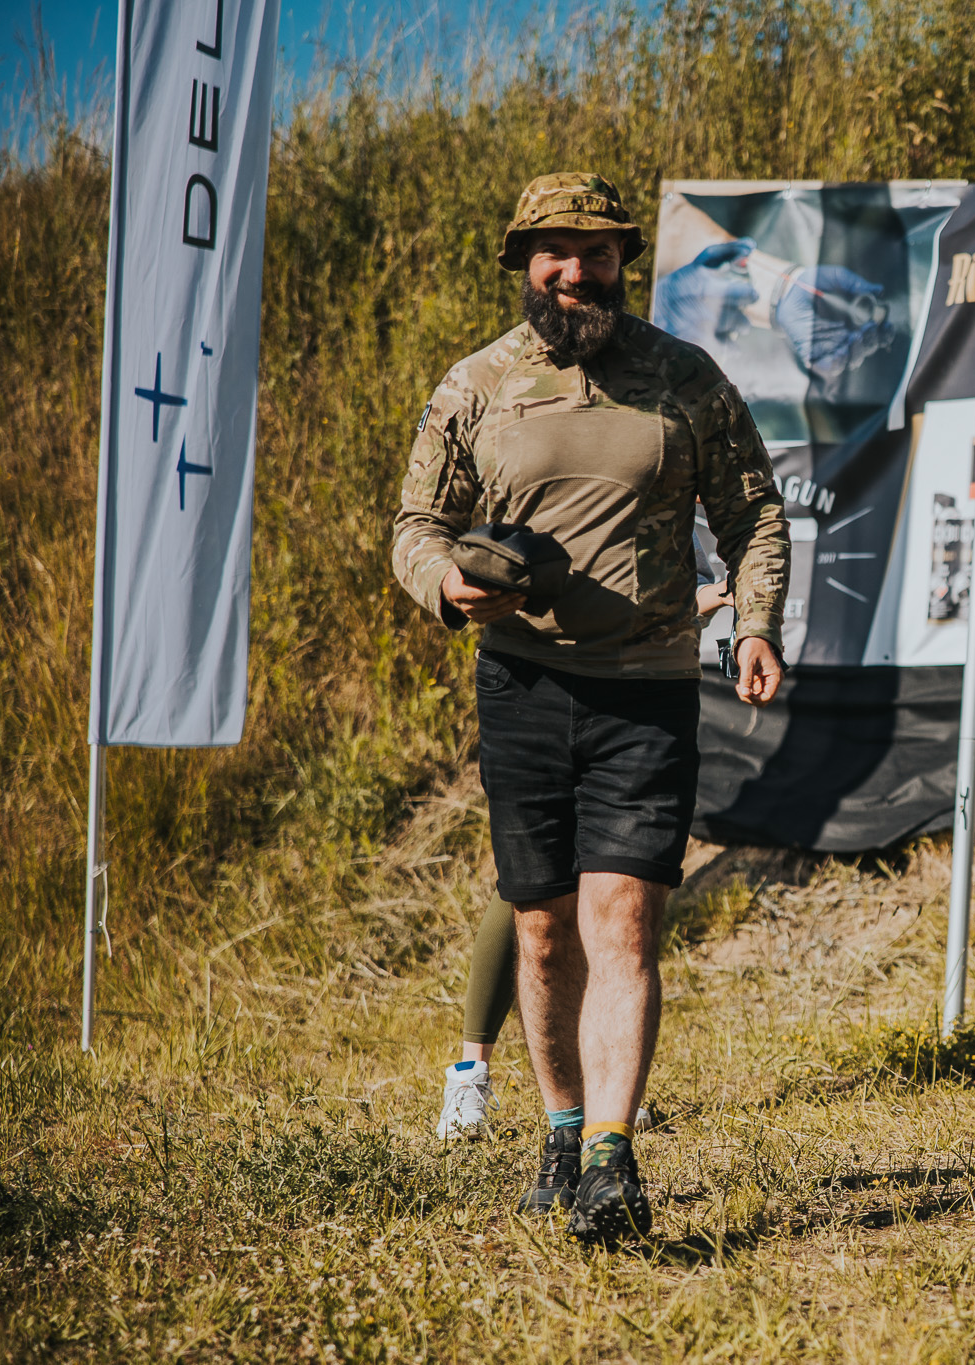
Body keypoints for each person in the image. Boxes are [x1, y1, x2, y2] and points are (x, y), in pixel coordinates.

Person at [394, 171, 791, 1245]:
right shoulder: (475, 385)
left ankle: (613, 1158)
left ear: (623, 263)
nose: (578, 271)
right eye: (557, 253)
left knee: (622, 918)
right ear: (524, 264)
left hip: (647, 688)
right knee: (539, 929)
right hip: (522, 686)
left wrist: (756, 623)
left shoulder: (684, 378)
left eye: (599, 252)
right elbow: (417, 524)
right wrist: (446, 585)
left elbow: (753, 511)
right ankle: (562, 1134)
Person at [433, 573, 732, 1140]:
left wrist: (717, 603)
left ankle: (604, 1094)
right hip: (540, 693)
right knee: (529, 899)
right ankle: (471, 1074)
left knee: (614, 907)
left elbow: (663, 608)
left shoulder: (682, 532)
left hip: (635, 706)